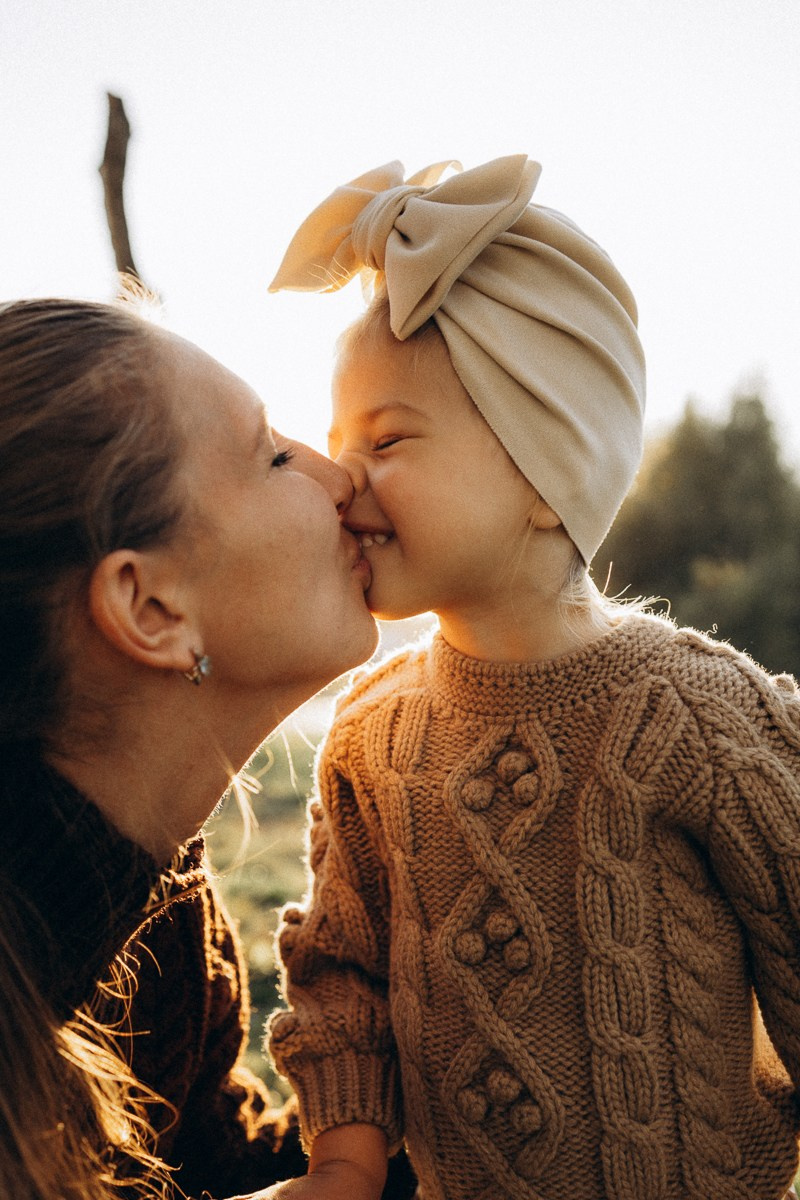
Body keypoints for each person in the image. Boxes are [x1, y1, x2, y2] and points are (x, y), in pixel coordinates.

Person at [262, 156, 800, 1200]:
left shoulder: (702, 717)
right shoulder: (370, 737)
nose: (340, 479)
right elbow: (342, 975)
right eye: (334, 445)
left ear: (547, 474)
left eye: (387, 439)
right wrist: (344, 1163)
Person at [0, 296, 382, 1200]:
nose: (339, 480)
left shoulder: (161, 914)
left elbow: (204, 1166)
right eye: (274, 456)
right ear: (151, 609)